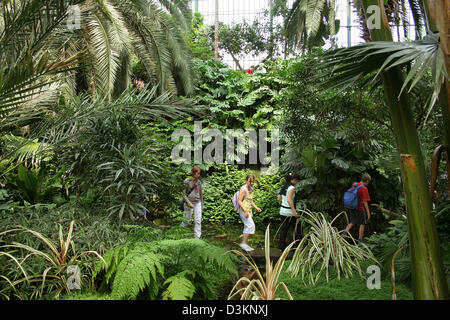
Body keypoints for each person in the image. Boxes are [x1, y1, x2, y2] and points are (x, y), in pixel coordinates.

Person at [342, 173, 372, 244]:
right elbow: (365, 201)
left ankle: (343, 234)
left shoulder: (354, 184)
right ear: (367, 181)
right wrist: (368, 213)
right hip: (359, 208)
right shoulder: (364, 188)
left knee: (352, 221)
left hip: (352, 207)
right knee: (362, 223)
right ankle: (360, 240)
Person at [277, 173, 301, 251]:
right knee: (297, 229)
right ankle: (298, 245)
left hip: (282, 211)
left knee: (284, 229)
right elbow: (290, 200)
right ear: (293, 180)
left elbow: (279, 198)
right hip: (289, 212)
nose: (297, 182)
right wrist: (295, 213)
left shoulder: (284, 187)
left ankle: (281, 246)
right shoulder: (291, 188)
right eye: (297, 180)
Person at [238, 174, 262, 252]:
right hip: (243, 210)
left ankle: (244, 243)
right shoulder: (243, 189)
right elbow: (239, 201)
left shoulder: (251, 189)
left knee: (248, 226)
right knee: (251, 226)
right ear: (246, 181)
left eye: (252, 182)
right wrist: (245, 210)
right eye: (249, 181)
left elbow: (250, 200)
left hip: (248, 210)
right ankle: (244, 243)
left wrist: (256, 207)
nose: (251, 183)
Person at [180, 166, 204, 238]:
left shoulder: (199, 182)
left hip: (198, 203)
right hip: (189, 203)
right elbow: (183, 194)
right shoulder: (187, 181)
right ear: (193, 173)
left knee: (198, 221)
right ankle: (179, 234)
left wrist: (202, 206)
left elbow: (200, 194)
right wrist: (189, 203)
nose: (198, 175)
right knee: (186, 220)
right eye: (197, 173)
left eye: (199, 174)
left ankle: (197, 238)